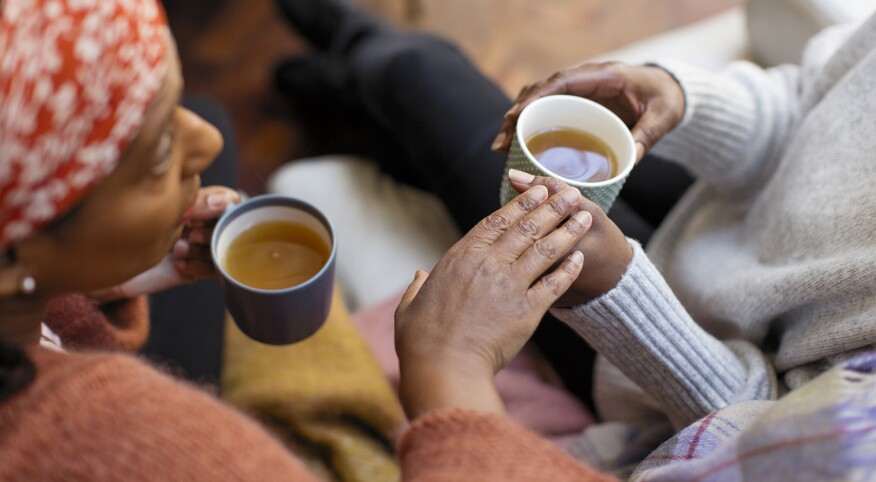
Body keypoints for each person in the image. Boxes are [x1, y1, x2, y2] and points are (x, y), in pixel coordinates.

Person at [0, 0, 631, 479]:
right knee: (411, 75)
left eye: (173, 104)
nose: (206, 143)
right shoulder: (150, 445)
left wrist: (97, 284)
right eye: (160, 149)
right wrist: (452, 375)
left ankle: (332, 80)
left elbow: (40, 325)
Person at [270, 0, 876, 475]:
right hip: (719, 207)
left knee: (419, 75)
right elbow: (808, 102)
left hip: (664, 348)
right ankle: (353, 86)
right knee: (423, 92)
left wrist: (616, 294)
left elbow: (754, 442)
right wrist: (687, 101)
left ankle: (351, 73)